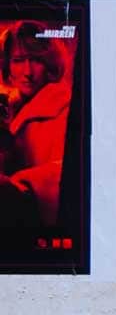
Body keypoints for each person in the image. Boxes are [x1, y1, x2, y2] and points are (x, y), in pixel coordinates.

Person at [0, 21, 71, 225]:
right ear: (7, 65)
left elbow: (67, 171)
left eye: (36, 60)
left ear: (49, 64)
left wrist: (19, 186)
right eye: (18, 60)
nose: (28, 71)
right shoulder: (9, 107)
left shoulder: (64, 106)